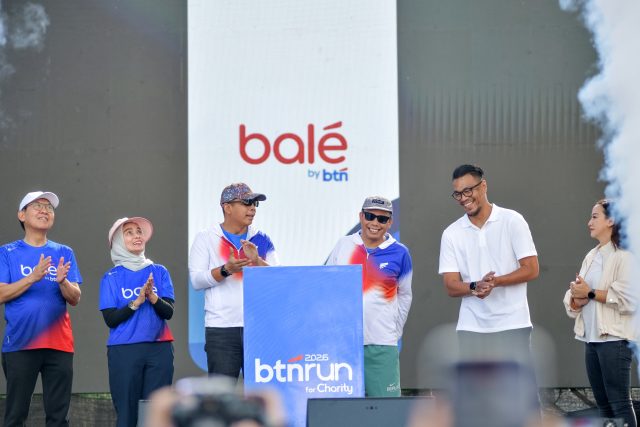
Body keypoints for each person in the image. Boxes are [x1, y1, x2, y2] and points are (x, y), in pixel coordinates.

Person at [438, 164, 539, 364]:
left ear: (483, 186)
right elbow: (450, 285)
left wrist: (495, 282)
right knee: (474, 386)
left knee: (518, 386)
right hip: (471, 328)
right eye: (458, 194)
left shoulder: (513, 220)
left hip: (514, 325)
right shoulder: (451, 233)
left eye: (468, 190)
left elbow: (531, 269)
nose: (463, 198)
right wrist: (475, 286)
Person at [0, 191, 82, 427]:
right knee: (15, 415)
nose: (45, 210)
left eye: (49, 208)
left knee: (59, 417)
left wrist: (63, 282)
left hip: (59, 344)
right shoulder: (7, 252)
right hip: (20, 343)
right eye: (37, 206)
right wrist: (32, 277)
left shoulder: (64, 252)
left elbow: (75, 298)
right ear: (22, 215)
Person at [189, 183, 279, 378]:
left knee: (260, 393)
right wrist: (226, 269)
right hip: (221, 329)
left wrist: (257, 261)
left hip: (259, 328)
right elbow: (196, 281)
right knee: (221, 393)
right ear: (227, 207)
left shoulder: (262, 238)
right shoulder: (206, 238)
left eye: (255, 203)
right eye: (247, 203)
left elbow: (277, 281)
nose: (253, 208)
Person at [326, 196, 413, 397]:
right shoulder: (343, 245)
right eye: (370, 216)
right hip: (344, 344)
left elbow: (405, 295)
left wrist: (393, 331)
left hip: (382, 345)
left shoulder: (400, 253)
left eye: (382, 219)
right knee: (341, 408)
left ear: (390, 222)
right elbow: (328, 286)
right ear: (361, 216)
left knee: (386, 409)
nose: (375, 223)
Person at [563, 199, 637, 427]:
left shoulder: (625, 256)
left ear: (611, 220)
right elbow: (576, 293)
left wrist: (590, 293)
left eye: (595, 217)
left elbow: (630, 299)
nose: (589, 222)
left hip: (614, 340)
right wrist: (576, 298)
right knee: (603, 405)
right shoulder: (592, 255)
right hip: (591, 340)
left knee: (620, 403)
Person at [99, 217, 175, 427]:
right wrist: (136, 302)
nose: (137, 236)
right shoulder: (111, 277)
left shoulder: (159, 271)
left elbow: (168, 312)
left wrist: (152, 297)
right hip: (124, 351)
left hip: (159, 350)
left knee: (157, 415)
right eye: (129, 232)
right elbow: (111, 319)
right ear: (118, 242)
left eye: (139, 231)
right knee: (127, 414)